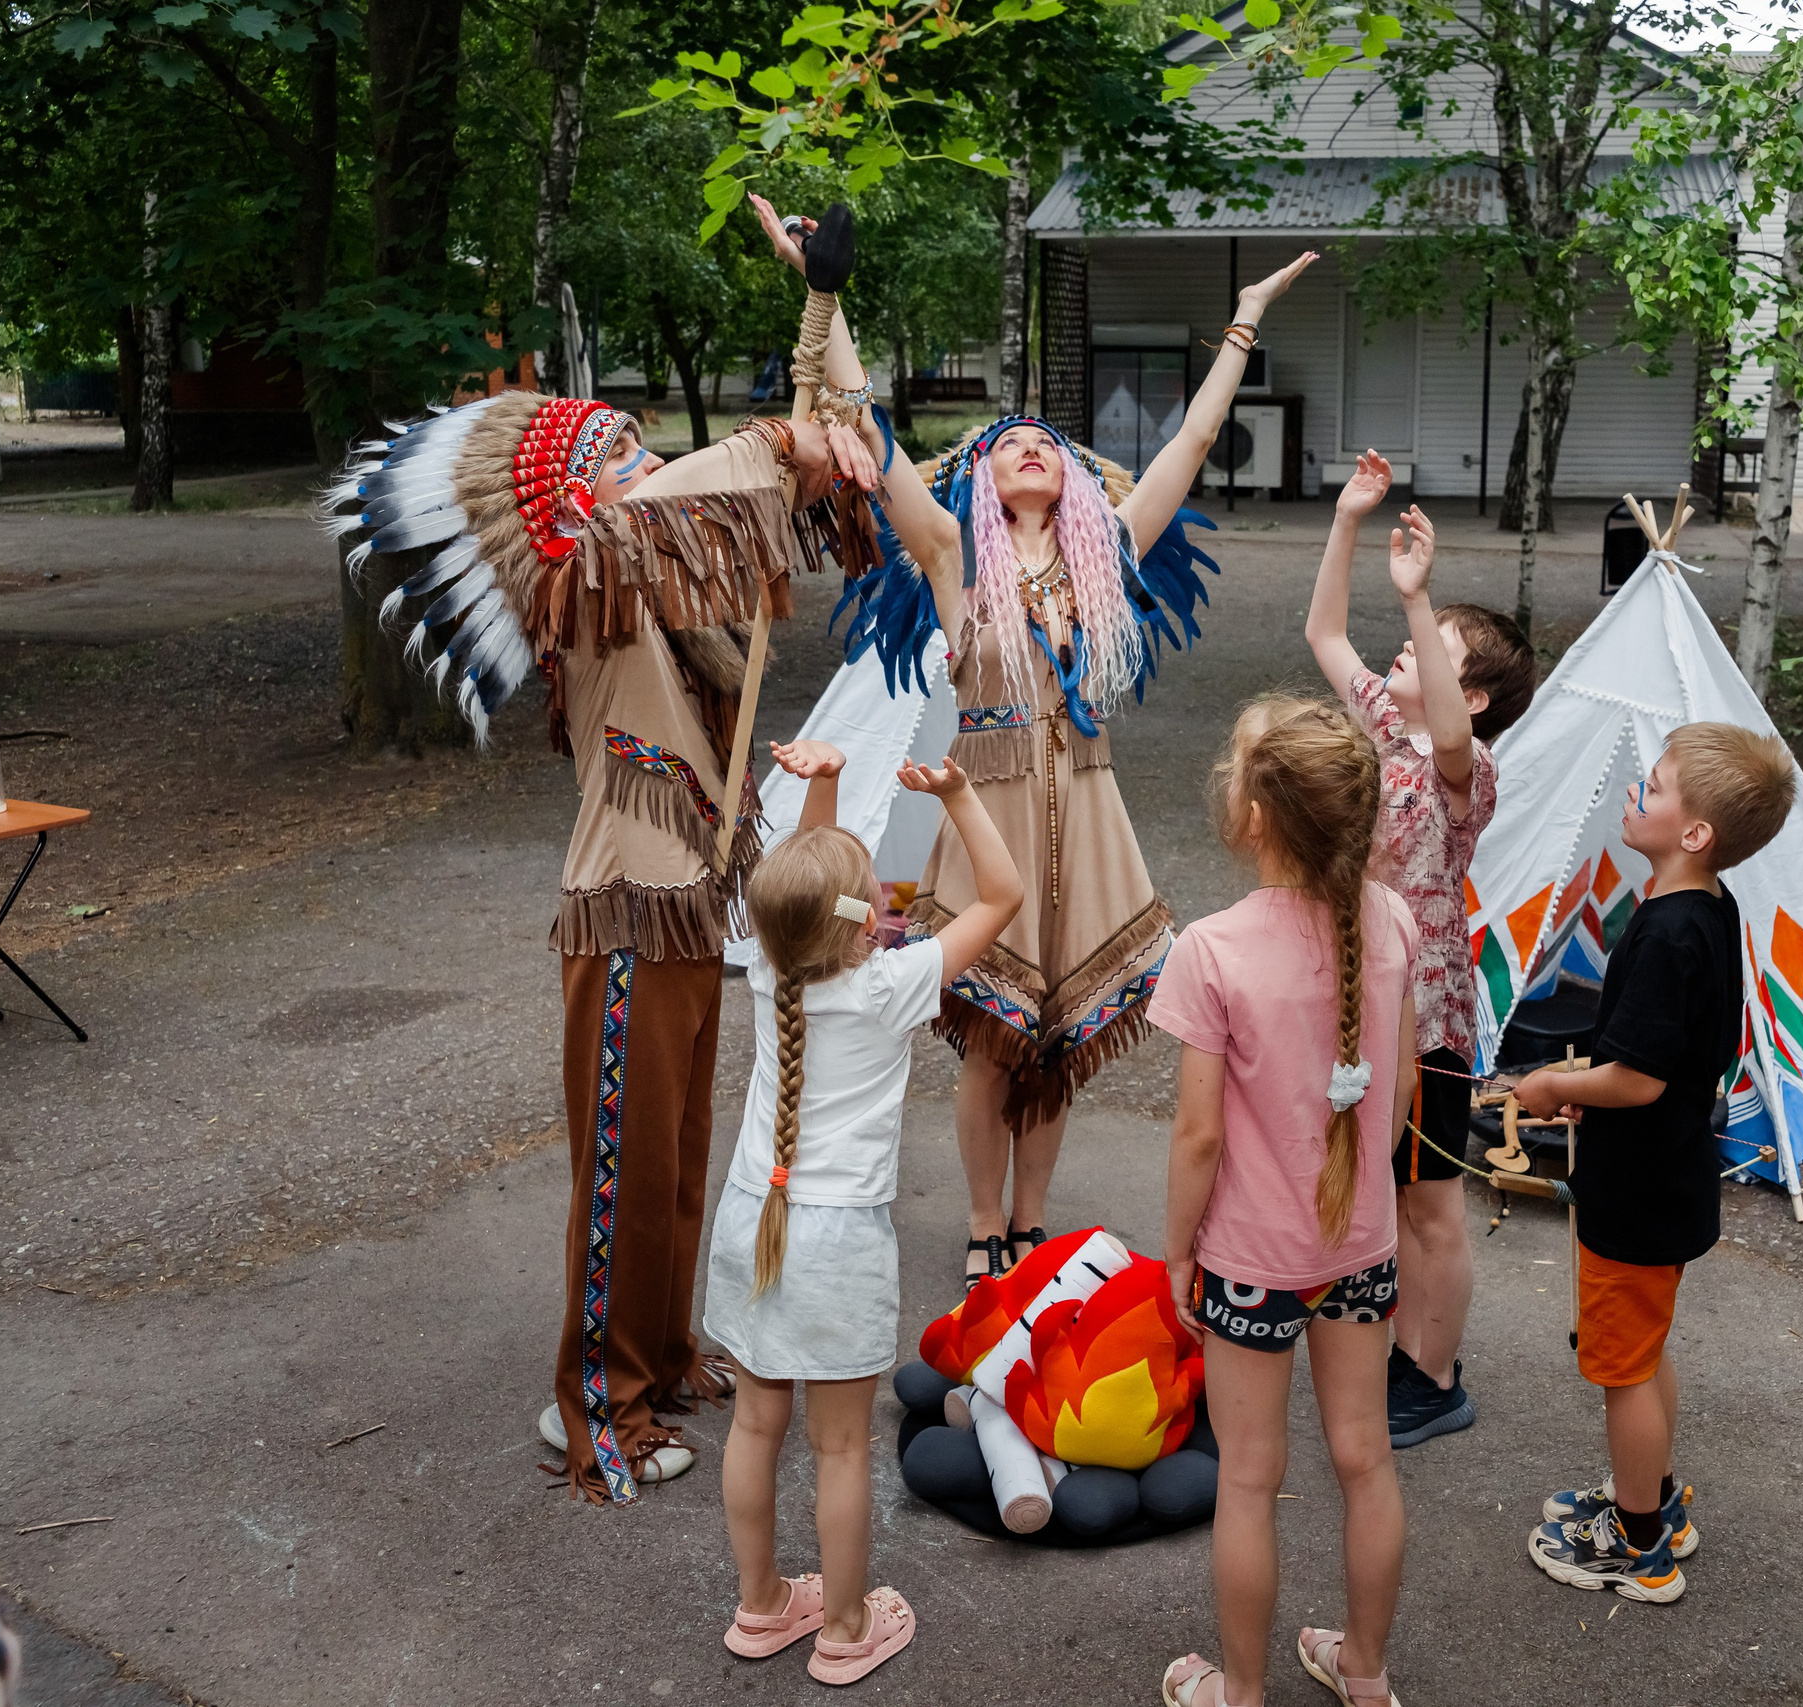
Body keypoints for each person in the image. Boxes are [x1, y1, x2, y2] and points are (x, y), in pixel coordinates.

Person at [322, 331, 881, 1503]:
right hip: (624, 920)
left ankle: (661, 1358)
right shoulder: (585, 577)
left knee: (678, 1163)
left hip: (685, 913)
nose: (649, 462)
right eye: (622, 453)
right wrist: (775, 440)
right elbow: (687, 497)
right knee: (620, 1173)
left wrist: (821, 358)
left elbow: (776, 500)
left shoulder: (671, 601)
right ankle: (597, 1403)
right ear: (577, 495)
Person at [748, 191, 1320, 1290]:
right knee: (992, 1047)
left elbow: (1194, 441)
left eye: (1045, 447)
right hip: (988, 823)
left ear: (1071, 483)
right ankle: (978, 1218)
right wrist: (818, 285)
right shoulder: (955, 561)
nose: (1028, 451)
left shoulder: (1110, 559)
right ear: (981, 478)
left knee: (1055, 1053)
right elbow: (864, 418)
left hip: (1088, 819)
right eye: (1008, 445)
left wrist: (1243, 321)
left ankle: (1031, 1217)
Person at [706, 737, 1022, 1684]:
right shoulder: (890, 983)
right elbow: (1001, 897)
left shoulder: (772, 967)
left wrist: (828, 788)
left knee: (755, 1424)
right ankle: (846, 1627)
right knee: (839, 1444)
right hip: (837, 1240)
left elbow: (803, 895)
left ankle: (763, 1605)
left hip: (752, 1217)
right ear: (856, 926)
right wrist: (961, 796)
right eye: (869, 897)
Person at [1152, 695, 1417, 1707]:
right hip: (1362, 1248)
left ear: (1254, 816)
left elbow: (1198, 1135)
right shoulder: (1386, 921)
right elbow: (1393, 1099)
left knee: (1248, 1478)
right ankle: (1364, 1669)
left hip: (1251, 1263)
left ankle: (1244, 1691)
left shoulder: (1211, 949)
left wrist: (1181, 1251)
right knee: (1365, 1461)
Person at [1510, 722, 1796, 1602]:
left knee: (1621, 1365)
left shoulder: (1672, 932)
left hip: (1634, 1189)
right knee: (1645, 1344)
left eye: (1658, 785)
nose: (1638, 792)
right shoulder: (1704, 905)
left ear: (1696, 832)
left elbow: (1634, 1080)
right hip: (1671, 1175)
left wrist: (1553, 1087)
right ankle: (1655, 1496)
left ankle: (1637, 1546)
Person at [1304, 448, 1537, 1452]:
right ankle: (1400, 1346)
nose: (1407, 653)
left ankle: (1433, 1378)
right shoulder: (1383, 735)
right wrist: (1350, 520)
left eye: (1435, 649)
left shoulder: (1465, 765)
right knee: (1381, 1185)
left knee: (1432, 1200)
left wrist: (1418, 598)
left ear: (1473, 695)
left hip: (1430, 1017)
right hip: (1358, 997)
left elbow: (1443, 722)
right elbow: (1319, 630)